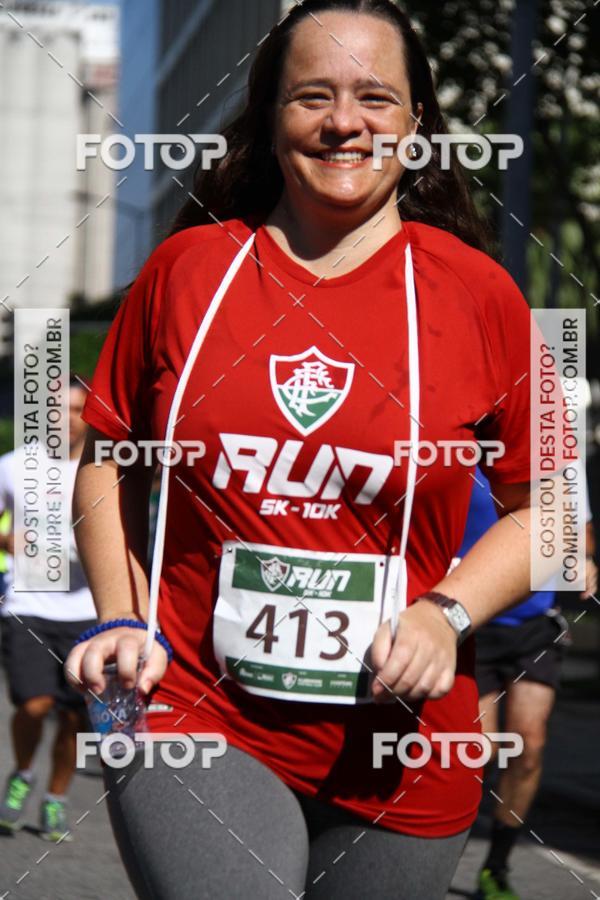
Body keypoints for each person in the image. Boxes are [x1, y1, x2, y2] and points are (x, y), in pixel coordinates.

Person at [65, 2, 554, 897]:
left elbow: (554, 509)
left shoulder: (486, 296)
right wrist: (120, 616)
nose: (344, 123)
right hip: (193, 710)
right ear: (270, 116)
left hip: (403, 743)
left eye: (376, 97)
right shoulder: (187, 272)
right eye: (312, 97)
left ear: (416, 124)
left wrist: (445, 614)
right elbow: (107, 454)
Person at [458, 466, 597, 900]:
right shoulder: (456, 448)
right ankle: (434, 847)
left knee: (530, 746)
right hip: (470, 623)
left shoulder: (554, 454)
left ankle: (495, 869)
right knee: (480, 751)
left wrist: (584, 558)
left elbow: (579, 526)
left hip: (534, 626)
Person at [0, 377, 97, 841]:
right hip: (27, 606)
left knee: (76, 716)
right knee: (35, 704)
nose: (67, 419)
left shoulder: (103, 470)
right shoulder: (13, 468)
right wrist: (8, 539)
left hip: (86, 611)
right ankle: (21, 773)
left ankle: (56, 799)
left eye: (78, 410)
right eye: (57, 410)